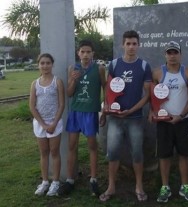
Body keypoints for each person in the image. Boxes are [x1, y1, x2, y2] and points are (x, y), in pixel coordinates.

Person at [99, 30, 152, 202]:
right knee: (113, 152)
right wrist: (106, 110)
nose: (131, 47)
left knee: (137, 153)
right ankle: (111, 187)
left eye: (134, 43)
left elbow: (147, 96)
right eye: (128, 43)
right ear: (123, 45)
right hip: (115, 119)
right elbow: (109, 91)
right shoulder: (114, 64)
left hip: (135, 118)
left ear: (138, 45)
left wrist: (131, 110)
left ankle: (139, 186)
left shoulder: (144, 66)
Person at [57, 40, 106, 196]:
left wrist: (105, 111)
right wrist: (73, 79)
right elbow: (70, 93)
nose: (85, 54)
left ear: (93, 54)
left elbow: (106, 89)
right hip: (76, 112)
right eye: (82, 52)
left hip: (90, 112)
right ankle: (70, 180)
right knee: (72, 146)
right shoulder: (73, 68)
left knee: (92, 146)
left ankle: (93, 180)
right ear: (78, 53)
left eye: (88, 52)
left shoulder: (99, 69)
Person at [149, 41, 188, 203]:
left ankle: (185, 186)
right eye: (169, 53)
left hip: (183, 121)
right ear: (165, 55)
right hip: (164, 121)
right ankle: (165, 187)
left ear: (180, 54)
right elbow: (153, 97)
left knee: (184, 154)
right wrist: (153, 112)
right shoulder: (157, 74)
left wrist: (181, 115)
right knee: (164, 155)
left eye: (175, 52)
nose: (172, 55)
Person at [29, 53, 65, 196]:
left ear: (52, 64)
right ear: (38, 65)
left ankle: (55, 182)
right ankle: (45, 181)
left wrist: (53, 123)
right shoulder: (34, 84)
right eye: (42, 63)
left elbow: (62, 104)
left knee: (55, 152)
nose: (45, 66)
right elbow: (32, 106)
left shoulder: (57, 82)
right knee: (44, 153)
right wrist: (43, 125)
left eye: (48, 63)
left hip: (55, 123)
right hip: (40, 124)